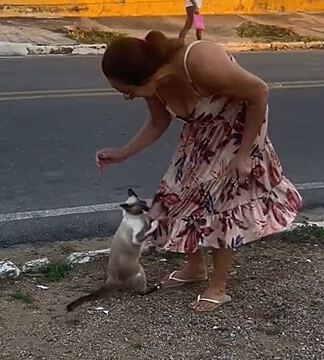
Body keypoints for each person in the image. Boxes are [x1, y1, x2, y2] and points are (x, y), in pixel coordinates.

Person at [95, 32, 302, 312]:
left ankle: (218, 287)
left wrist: (244, 155)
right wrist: (122, 153)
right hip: (201, 134)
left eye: (126, 91)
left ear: (144, 76)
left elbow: (258, 92)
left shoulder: (201, 61)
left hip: (238, 132)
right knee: (175, 196)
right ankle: (195, 269)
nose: (126, 97)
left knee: (219, 206)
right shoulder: (155, 84)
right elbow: (158, 122)